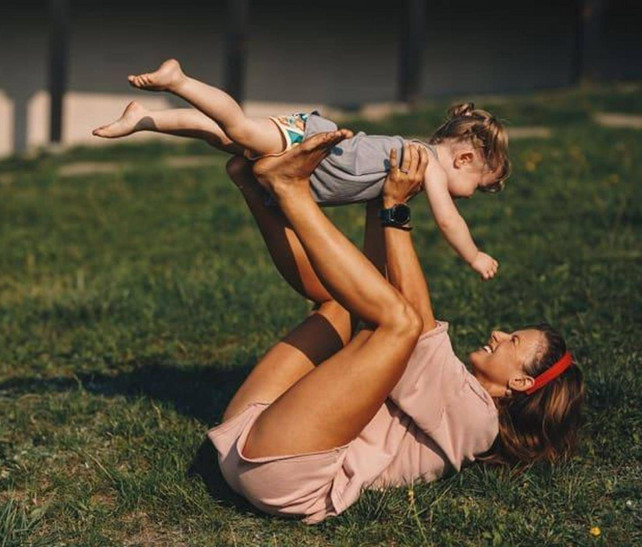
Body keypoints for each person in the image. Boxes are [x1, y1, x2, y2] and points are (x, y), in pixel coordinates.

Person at [204, 131, 584, 524]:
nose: (498, 334)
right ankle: (254, 185)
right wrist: (378, 197)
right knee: (343, 305)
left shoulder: (479, 423)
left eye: (513, 341)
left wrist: (395, 207)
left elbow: (416, 324)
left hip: (286, 474)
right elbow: (372, 294)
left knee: (401, 324)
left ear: (522, 384)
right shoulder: (449, 390)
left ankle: (289, 188)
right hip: (248, 437)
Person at [93, 59, 511, 279]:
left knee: (221, 138)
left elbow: (382, 219)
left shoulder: (413, 163)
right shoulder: (430, 166)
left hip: (315, 157)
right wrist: (474, 256)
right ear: (465, 159)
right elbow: (448, 220)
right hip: (313, 145)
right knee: (236, 125)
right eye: (479, 184)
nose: (471, 195)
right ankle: (179, 82)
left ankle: (144, 117)